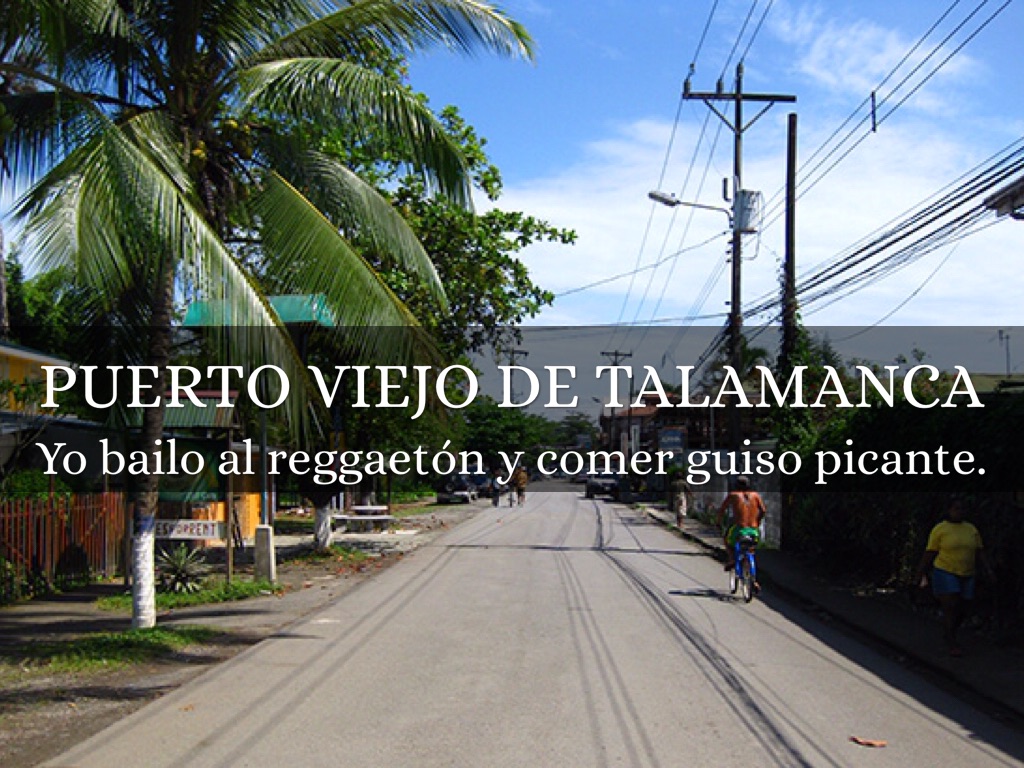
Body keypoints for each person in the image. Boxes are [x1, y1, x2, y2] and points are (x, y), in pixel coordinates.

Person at [915, 497, 994, 657]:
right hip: (946, 570)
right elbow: (930, 552)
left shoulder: (971, 529)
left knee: (964, 607)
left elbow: (979, 550)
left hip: (967, 572)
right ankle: (951, 641)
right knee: (951, 604)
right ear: (949, 510)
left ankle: (950, 630)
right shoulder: (940, 529)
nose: (959, 512)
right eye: (956, 509)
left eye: (962, 509)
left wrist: (988, 570)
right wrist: (920, 572)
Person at [716, 476, 767, 588]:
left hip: (739, 529)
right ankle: (754, 580)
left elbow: (722, 510)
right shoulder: (756, 495)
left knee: (726, 539)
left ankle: (731, 560)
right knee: (750, 549)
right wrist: (757, 521)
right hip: (753, 531)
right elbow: (763, 510)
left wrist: (718, 522)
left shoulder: (733, 495)